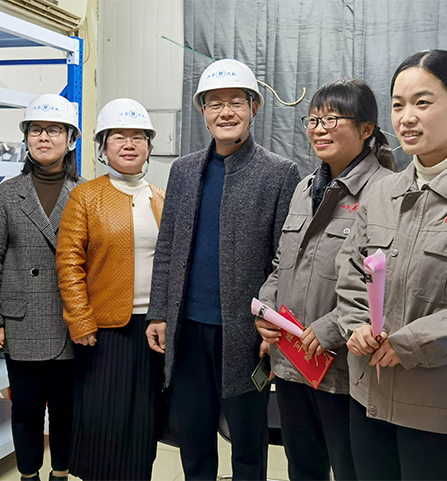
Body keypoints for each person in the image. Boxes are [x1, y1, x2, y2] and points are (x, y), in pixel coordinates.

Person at [332, 50, 447, 480]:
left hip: (439, 404)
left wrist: (413, 343)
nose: (407, 117)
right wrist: (356, 325)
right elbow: (352, 272)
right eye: (398, 105)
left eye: (422, 102)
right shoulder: (381, 192)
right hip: (368, 392)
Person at [145, 58, 300, 480]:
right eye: (215, 104)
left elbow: (284, 260)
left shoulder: (279, 173)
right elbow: (167, 248)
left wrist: (275, 330)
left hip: (246, 334)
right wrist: (159, 312)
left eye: (236, 102)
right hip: (188, 330)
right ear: (203, 111)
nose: (225, 112)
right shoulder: (183, 170)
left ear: (254, 107)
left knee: (248, 443)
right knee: (194, 442)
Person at [255, 78, 396, 481]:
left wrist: (331, 328)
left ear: (366, 129)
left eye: (332, 119)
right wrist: (267, 309)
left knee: (351, 470)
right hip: (293, 360)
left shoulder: (385, 190)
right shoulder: (305, 188)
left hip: (345, 369)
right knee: (302, 468)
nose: (319, 129)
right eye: (313, 120)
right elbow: (282, 261)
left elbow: (387, 281)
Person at [0, 93, 85, 481]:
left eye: (54, 130)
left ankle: (61, 473)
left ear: (70, 140)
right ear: (26, 138)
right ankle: (28, 475)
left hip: (70, 320)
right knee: (25, 410)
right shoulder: (6, 194)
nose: (44, 137)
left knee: (67, 408)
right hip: (20, 321)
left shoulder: (86, 192)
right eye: (36, 129)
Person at [55, 98, 165, 481]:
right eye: (118, 136)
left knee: (144, 422)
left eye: (138, 137)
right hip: (102, 330)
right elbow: (68, 263)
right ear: (103, 146)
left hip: (153, 327)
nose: (129, 144)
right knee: (102, 420)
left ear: (149, 146)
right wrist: (80, 319)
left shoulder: (161, 197)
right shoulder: (85, 197)